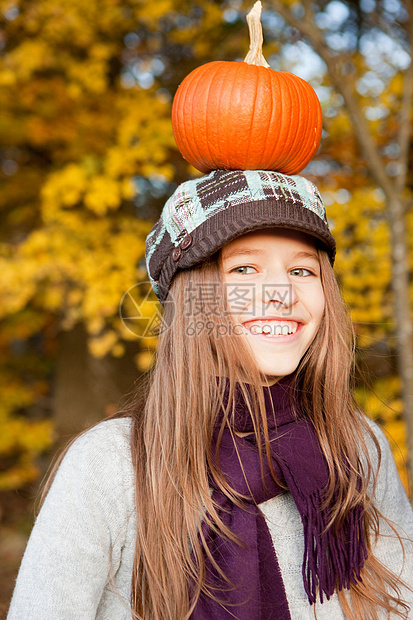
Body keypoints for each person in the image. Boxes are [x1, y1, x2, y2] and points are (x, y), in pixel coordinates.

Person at [7, 169, 413, 620]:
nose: (281, 292)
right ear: (193, 299)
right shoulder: (112, 464)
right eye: (243, 269)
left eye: (302, 270)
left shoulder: (358, 448)